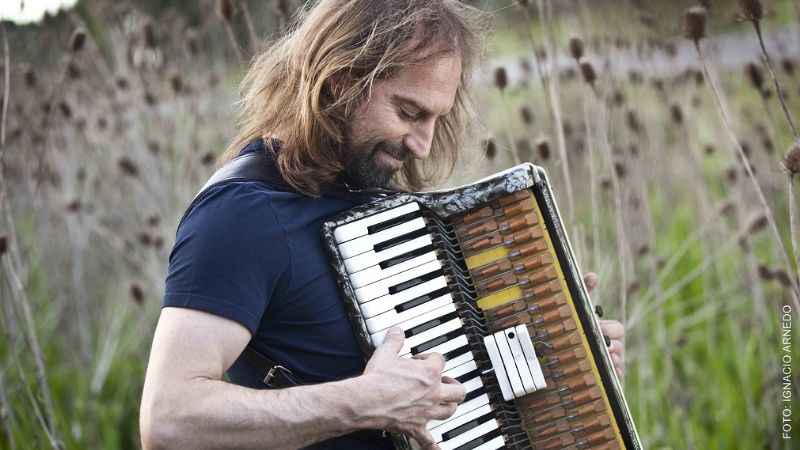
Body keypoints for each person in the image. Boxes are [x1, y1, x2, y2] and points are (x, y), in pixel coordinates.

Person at [139, 1, 625, 449]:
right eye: (408, 112)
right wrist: (363, 402)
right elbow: (169, 419)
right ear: (339, 80)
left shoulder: (371, 191)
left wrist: (562, 358)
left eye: (436, 117)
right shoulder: (241, 214)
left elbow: (447, 392)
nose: (423, 144)